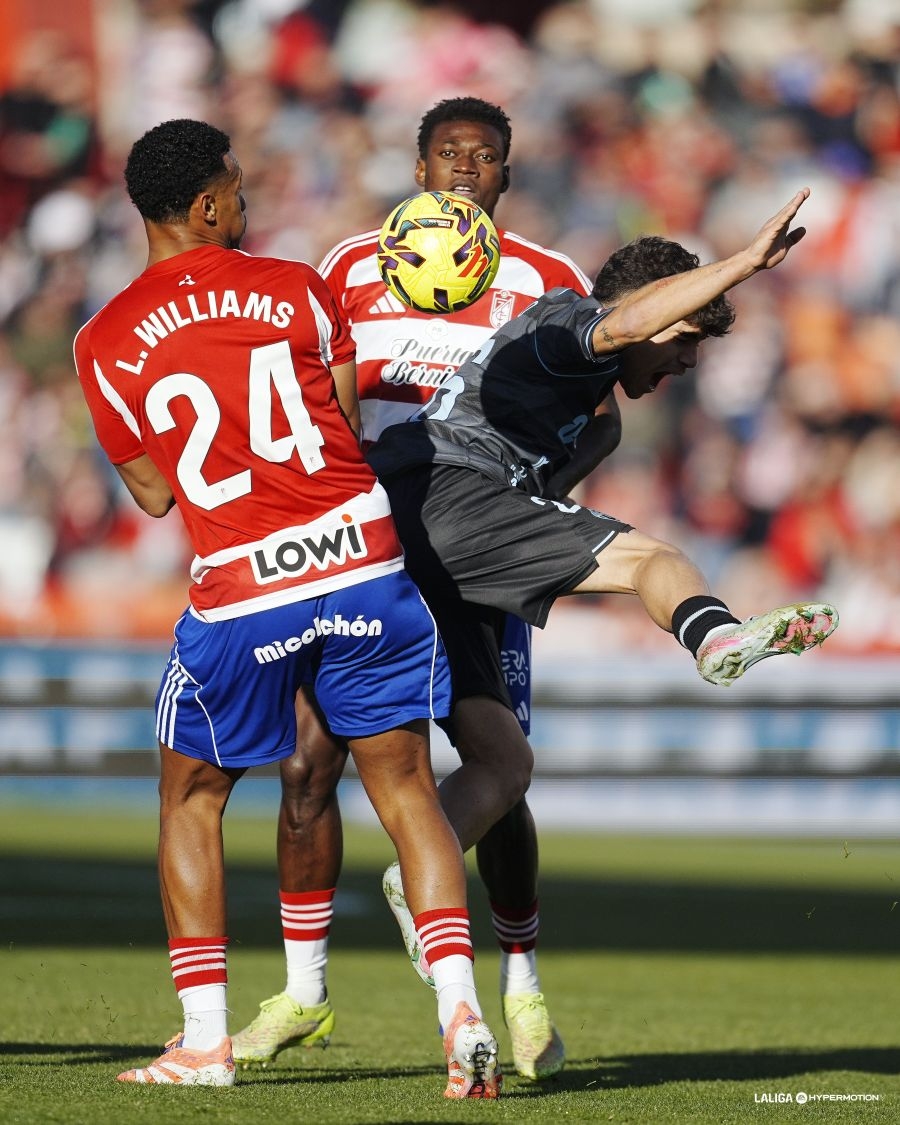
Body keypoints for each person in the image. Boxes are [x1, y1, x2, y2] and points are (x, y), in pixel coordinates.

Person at [73, 117, 501, 1100]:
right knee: (407, 795)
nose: (249, 204)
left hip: (246, 590)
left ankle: (205, 1042)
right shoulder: (301, 288)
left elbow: (150, 494)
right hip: (364, 562)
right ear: (205, 207)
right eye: (237, 189)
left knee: (193, 801)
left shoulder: (101, 342)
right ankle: (460, 1013)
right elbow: (345, 420)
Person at [233, 97, 606, 1081]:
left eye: (484, 158)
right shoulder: (351, 268)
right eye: (448, 153)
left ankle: (522, 986)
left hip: (478, 555)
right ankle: (301, 992)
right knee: (310, 762)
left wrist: (528, 507)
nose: (464, 169)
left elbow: (599, 417)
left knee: (499, 766)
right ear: (418, 166)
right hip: (362, 554)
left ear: (507, 177)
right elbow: (306, 391)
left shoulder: (548, 281)